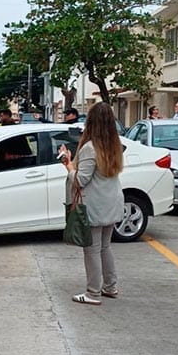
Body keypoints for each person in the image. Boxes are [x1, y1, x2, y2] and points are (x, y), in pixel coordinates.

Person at [59, 102, 124, 305]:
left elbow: (80, 180)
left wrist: (67, 164)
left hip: (95, 205)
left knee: (92, 249)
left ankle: (93, 293)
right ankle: (110, 287)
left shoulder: (90, 148)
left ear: (91, 122)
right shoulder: (114, 145)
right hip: (112, 201)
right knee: (105, 246)